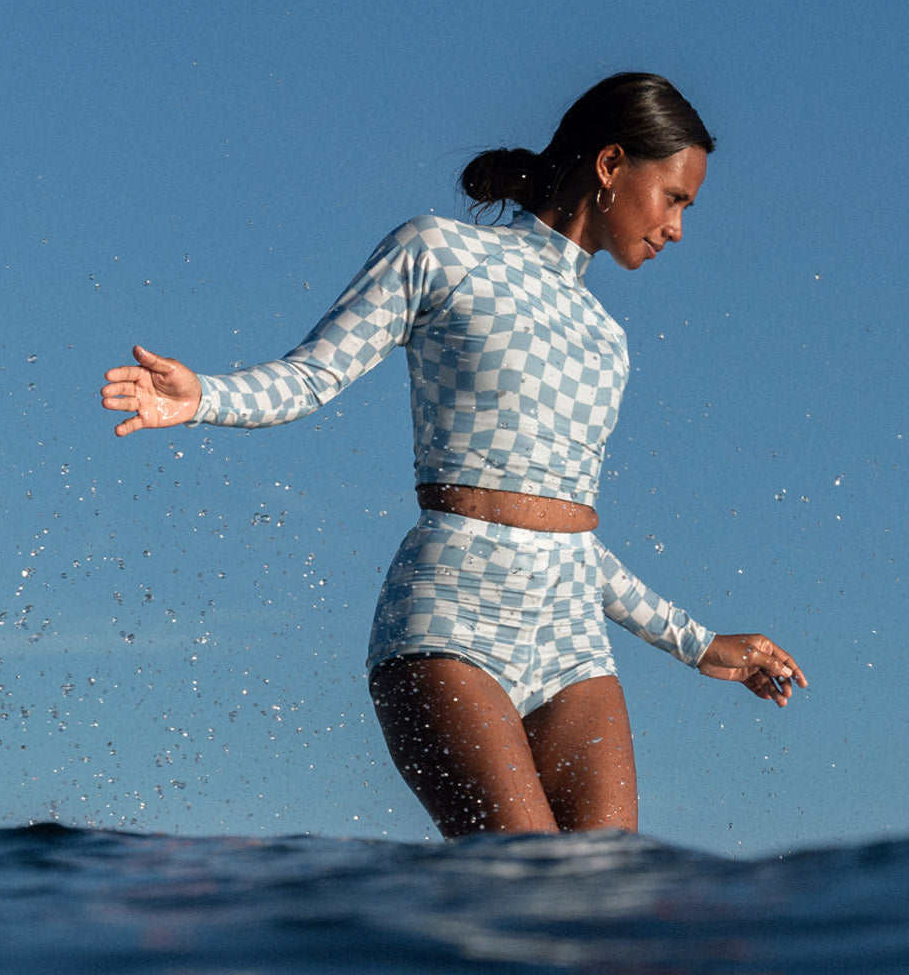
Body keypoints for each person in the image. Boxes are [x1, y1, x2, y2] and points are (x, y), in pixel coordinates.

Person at [100, 72, 806, 838]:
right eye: (675, 198)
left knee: (608, 905)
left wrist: (696, 642)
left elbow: (565, 534)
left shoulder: (609, 341)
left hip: (571, 638)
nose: (677, 228)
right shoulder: (439, 253)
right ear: (610, 166)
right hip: (449, 621)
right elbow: (314, 375)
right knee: (523, 888)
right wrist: (202, 396)